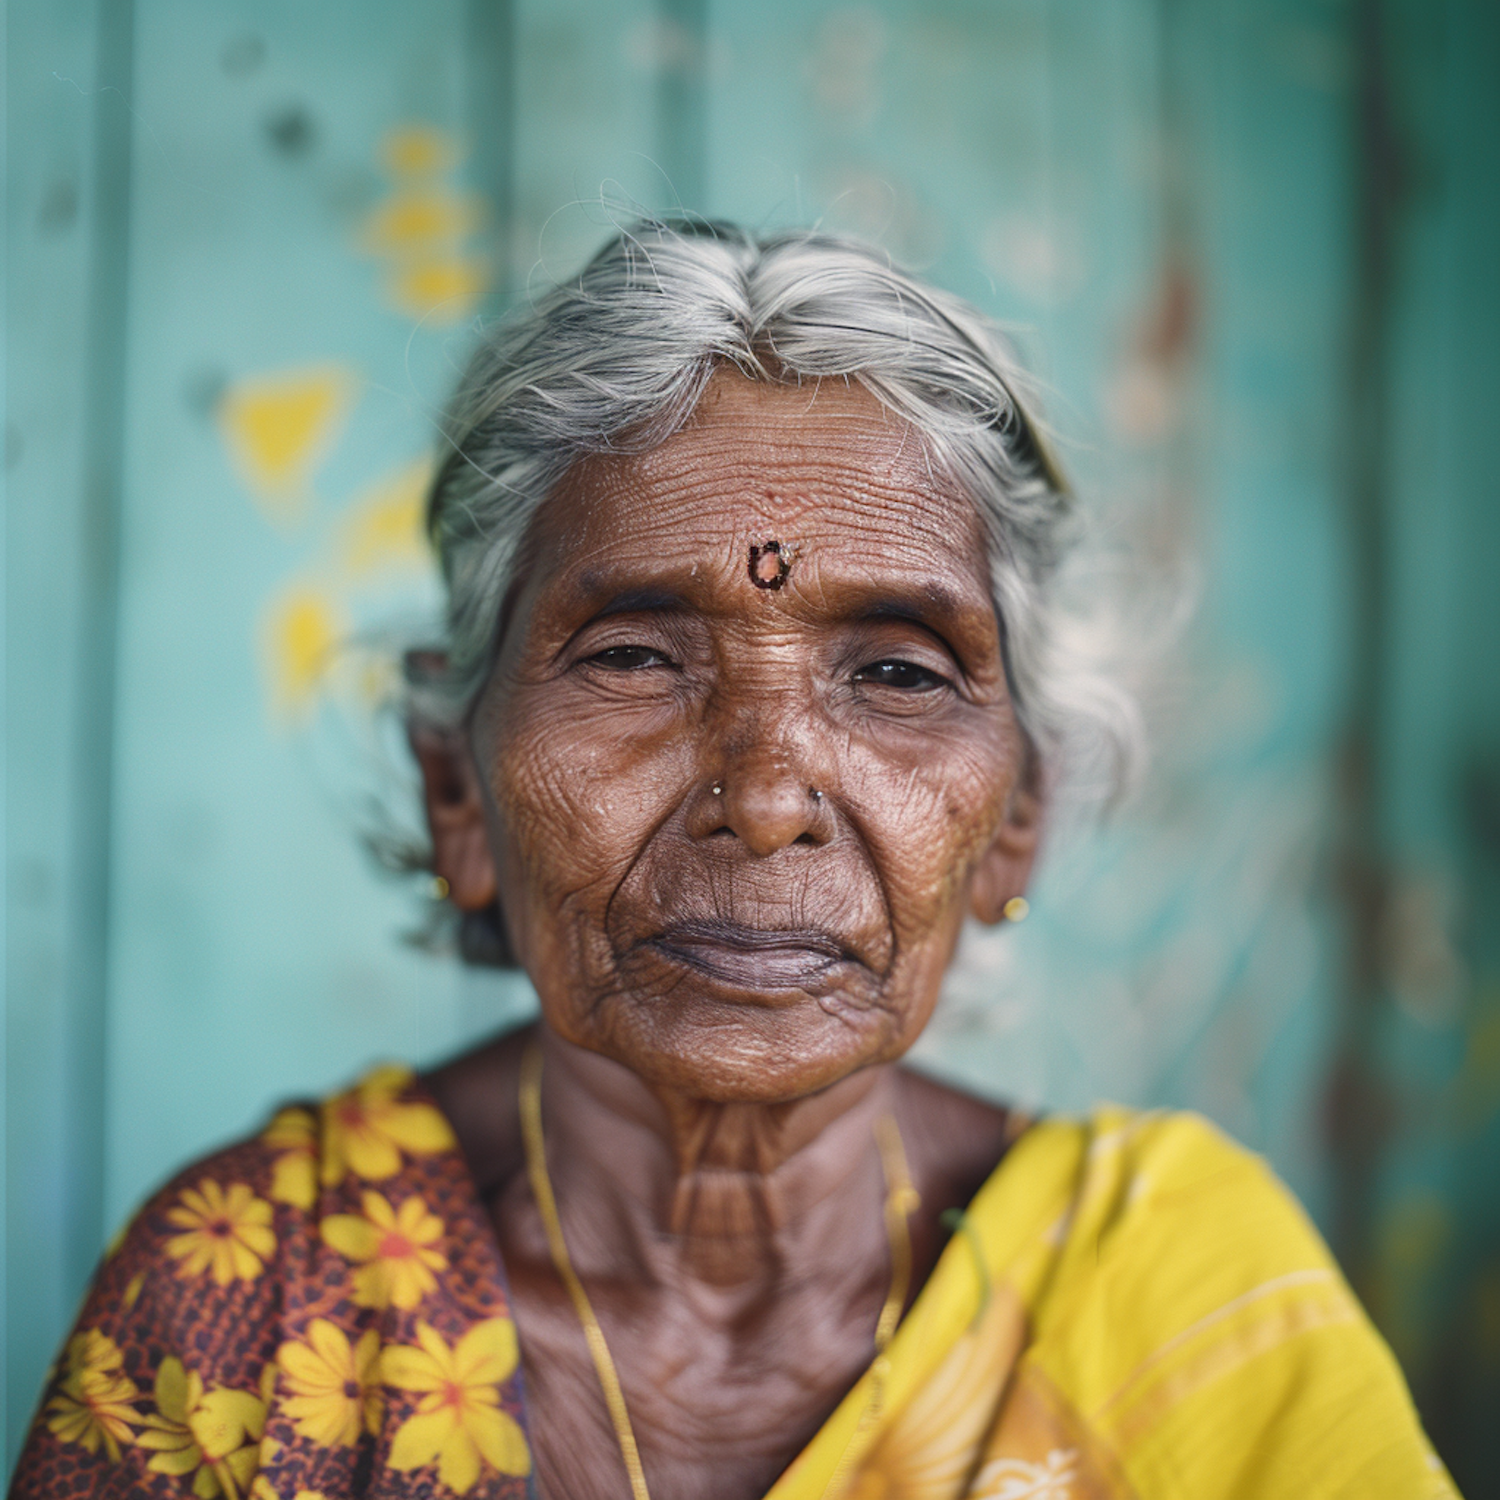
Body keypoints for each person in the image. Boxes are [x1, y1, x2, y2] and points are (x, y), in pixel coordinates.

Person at [12, 222, 1458, 1500]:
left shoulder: (1171, 1296)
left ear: (1019, 812)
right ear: (456, 785)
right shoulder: (251, 1301)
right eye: (635, 657)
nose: (766, 800)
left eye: (895, 674)